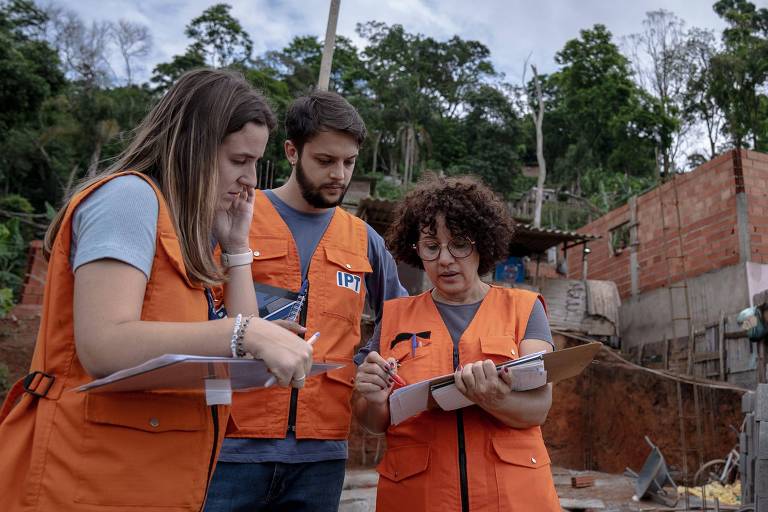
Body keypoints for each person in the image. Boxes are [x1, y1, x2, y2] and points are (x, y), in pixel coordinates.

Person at [0, 69, 313, 512]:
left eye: (256, 164)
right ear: (194, 147)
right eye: (239, 161)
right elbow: (104, 344)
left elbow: (236, 349)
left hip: (143, 480)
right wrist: (248, 334)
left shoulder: (183, 230)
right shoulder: (129, 198)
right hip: (85, 479)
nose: (251, 180)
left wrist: (237, 248)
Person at [204, 91, 407, 512]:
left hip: (322, 453)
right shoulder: (232, 215)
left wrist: (370, 360)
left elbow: (403, 320)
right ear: (292, 152)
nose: (339, 174)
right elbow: (188, 309)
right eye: (325, 161)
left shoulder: (363, 239)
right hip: (229, 443)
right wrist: (246, 333)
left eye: (349, 162)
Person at [353, 175, 561, 512]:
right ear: (416, 249)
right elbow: (372, 421)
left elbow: (538, 408)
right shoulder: (395, 317)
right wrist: (372, 399)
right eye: (432, 247)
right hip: (418, 497)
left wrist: (493, 399)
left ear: (482, 243)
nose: (445, 259)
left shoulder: (524, 309)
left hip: (512, 498)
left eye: (459, 244)